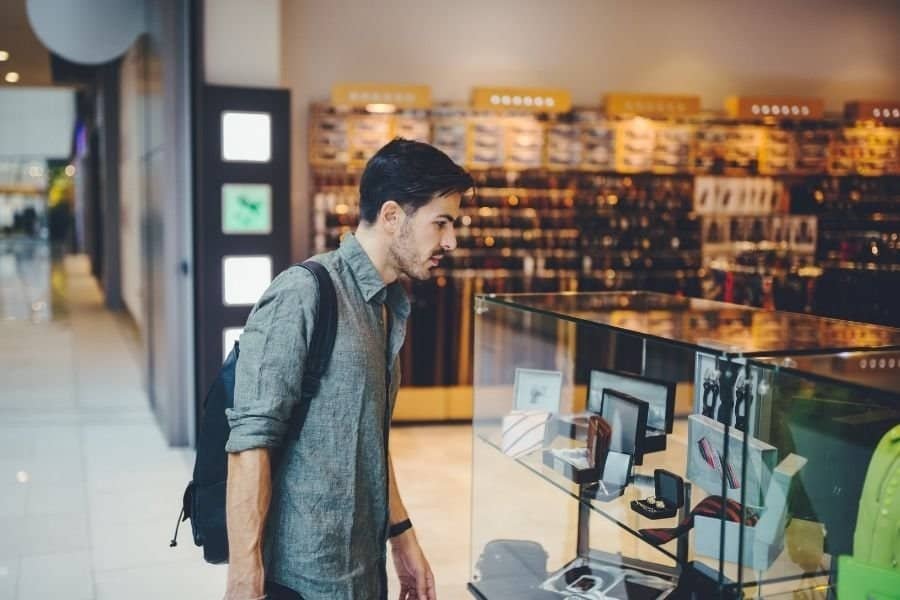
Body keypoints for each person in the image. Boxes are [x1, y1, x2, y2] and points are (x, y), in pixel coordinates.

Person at [223, 138, 474, 600]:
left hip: (363, 570)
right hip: (300, 578)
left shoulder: (385, 306)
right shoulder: (305, 292)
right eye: (441, 223)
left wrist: (403, 537)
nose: (451, 240)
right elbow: (249, 442)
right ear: (393, 215)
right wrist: (244, 580)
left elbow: (369, 441)